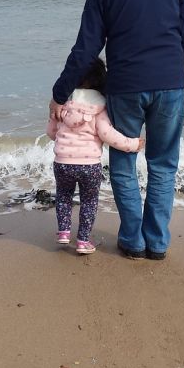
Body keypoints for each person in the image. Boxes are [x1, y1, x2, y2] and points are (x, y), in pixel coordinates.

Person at [49, 0, 184, 260]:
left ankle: (132, 241)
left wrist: (60, 93)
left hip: (126, 87)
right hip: (171, 86)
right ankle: (157, 244)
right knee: (162, 165)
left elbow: (86, 49)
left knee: (123, 164)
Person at [46, 57, 144, 255]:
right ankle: (83, 241)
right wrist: (133, 144)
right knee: (89, 201)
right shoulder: (100, 107)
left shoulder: (64, 104)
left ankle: (64, 232)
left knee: (64, 196)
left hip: (62, 162)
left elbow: (51, 132)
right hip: (89, 165)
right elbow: (108, 135)